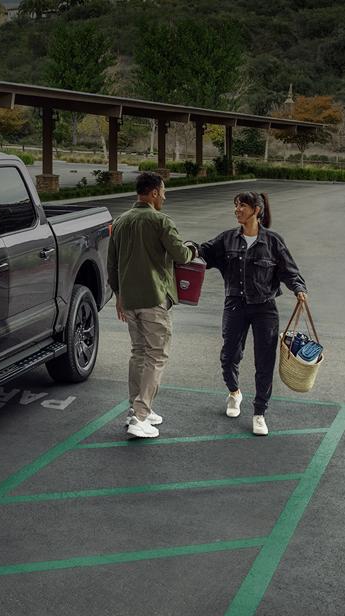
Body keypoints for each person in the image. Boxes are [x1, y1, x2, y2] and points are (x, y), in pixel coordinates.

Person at [198, 192, 308, 436]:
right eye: (235, 205)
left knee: (264, 362)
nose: (237, 210)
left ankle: (259, 412)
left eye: (242, 206)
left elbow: (290, 271)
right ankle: (234, 392)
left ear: (256, 210)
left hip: (265, 308)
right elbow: (203, 251)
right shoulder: (227, 239)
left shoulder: (273, 241)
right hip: (235, 305)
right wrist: (185, 248)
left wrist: (299, 289)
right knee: (229, 356)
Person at [109, 172, 197, 438]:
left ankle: (135, 408)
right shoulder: (160, 221)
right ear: (154, 193)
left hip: (130, 300)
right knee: (156, 355)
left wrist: (118, 296)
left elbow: (111, 264)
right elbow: (181, 254)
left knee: (138, 353)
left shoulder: (121, 221)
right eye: (164, 191)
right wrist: (193, 249)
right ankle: (140, 415)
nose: (165, 196)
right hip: (153, 298)